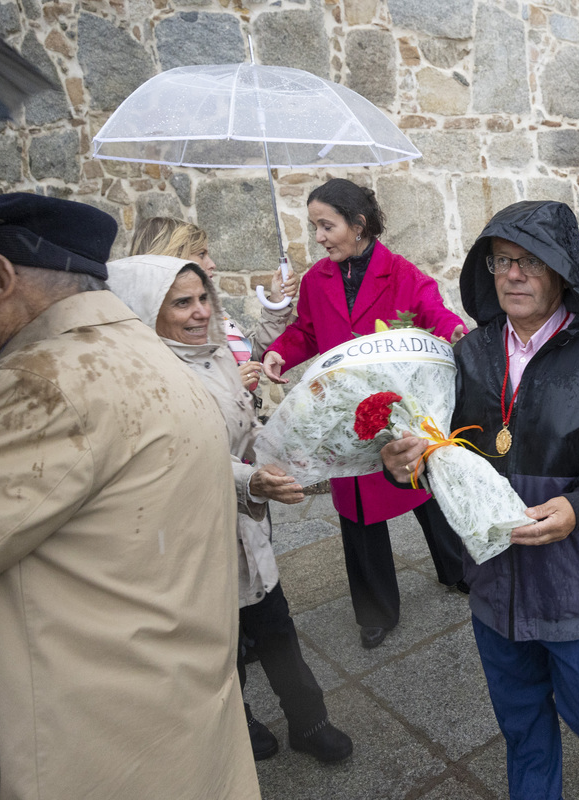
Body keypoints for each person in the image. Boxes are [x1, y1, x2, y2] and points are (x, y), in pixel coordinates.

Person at [380, 200, 579, 800]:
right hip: (494, 578)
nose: (513, 274)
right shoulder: (467, 356)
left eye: (530, 261)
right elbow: (435, 453)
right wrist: (402, 464)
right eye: (502, 261)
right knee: (520, 718)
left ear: (563, 269)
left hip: (575, 574)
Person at [0, 193, 261, 799]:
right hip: (174, 709)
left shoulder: (45, 382)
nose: (199, 312)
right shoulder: (138, 349)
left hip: (97, 746)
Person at [106, 254, 353, 763]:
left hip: (247, 525)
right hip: (196, 535)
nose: (200, 312)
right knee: (223, 645)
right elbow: (186, 459)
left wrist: (295, 451)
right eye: (182, 303)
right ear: (147, 310)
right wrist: (255, 481)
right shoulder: (147, 379)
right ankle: (237, 724)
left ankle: (310, 723)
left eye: (203, 299)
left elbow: (246, 431)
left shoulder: (216, 354)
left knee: (277, 628)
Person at [261, 178, 469, 649]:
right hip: (347, 417)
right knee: (357, 510)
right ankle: (376, 610)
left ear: (358, 224)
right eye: (314, 227)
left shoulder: (401, 272)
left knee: (425, 491)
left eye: (326, 225)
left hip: (400, 413)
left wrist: (456, 333)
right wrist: (279, 351)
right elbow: (307, 333)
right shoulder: (316, 281)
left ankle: (457, 569)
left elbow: (435, 315)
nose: (319, 237)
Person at [129, 216, 298, 391]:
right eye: (202, 255)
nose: (212, 264)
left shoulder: (211, 312)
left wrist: (277, 302)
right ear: (174, 258)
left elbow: (250, 352)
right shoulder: (154, 329)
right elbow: (169, 392)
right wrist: (226, 386)